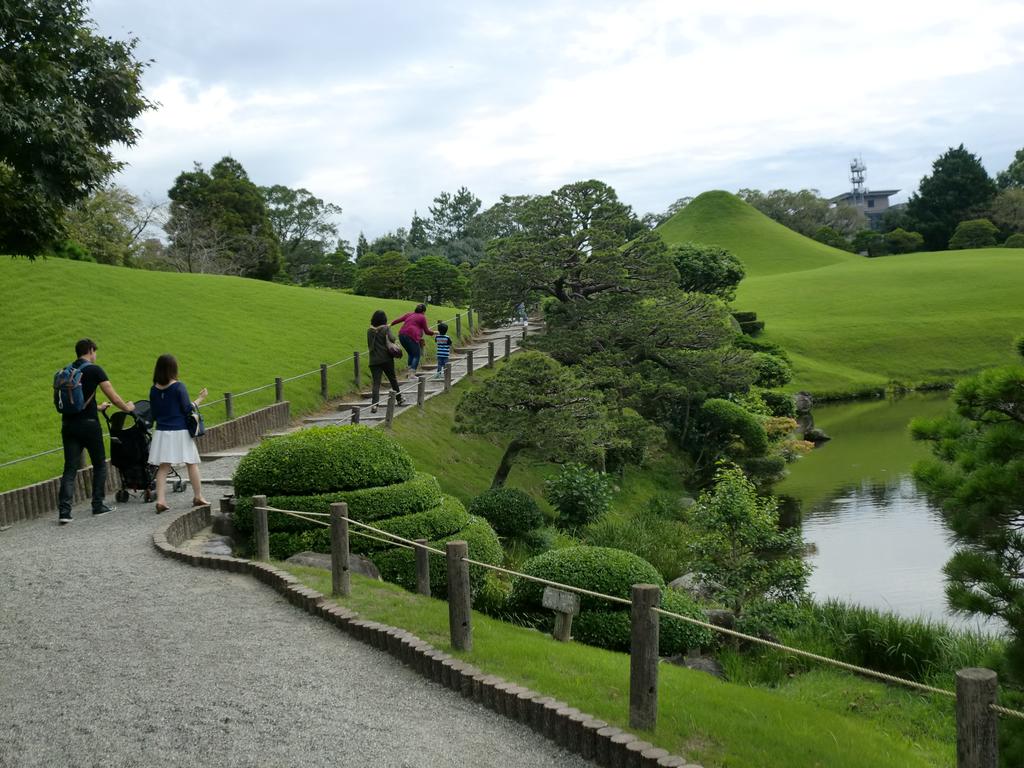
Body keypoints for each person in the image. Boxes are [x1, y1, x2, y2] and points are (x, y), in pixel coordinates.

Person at [56, 338, 135, 525]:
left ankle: (64, 512)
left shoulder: (68, 370)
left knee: (70, 468)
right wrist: (128, 409)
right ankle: (98, 505)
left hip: (68, 425)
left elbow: (78, 400)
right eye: (95, 352)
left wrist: (97, 407)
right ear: (90, 351)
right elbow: (114, 397)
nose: (95, 355)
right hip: (89, 426)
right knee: (99, 464)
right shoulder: (94, 369)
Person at [148, 354, 208, 513]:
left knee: (163, 466)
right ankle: (198, 496)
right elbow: (188, 409)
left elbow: (153, 413)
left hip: (161, 431)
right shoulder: (178, 386)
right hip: (179, 431)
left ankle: (161, 500)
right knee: (191, 463)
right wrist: (201, 398)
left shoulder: (153, 389)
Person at [367, 310, 404, 414]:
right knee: (392, 379)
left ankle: (374, 406)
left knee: (376, 383)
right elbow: (392, 339)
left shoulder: (369, 331)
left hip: (374, 360)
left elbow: (370, 344)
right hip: (386, 359)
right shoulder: (385, 328)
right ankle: (399, 399)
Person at [391, 303, 434, 378]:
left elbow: (398, 320)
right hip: (411, 336)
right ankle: (412, 374)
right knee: (417, 355)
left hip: (401, 335)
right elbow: (426, 331)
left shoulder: (409, 314)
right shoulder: (422, 317)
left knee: (411, 354)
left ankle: (409, 372)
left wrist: (390, 324)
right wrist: (434, 332)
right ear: (424, 311)